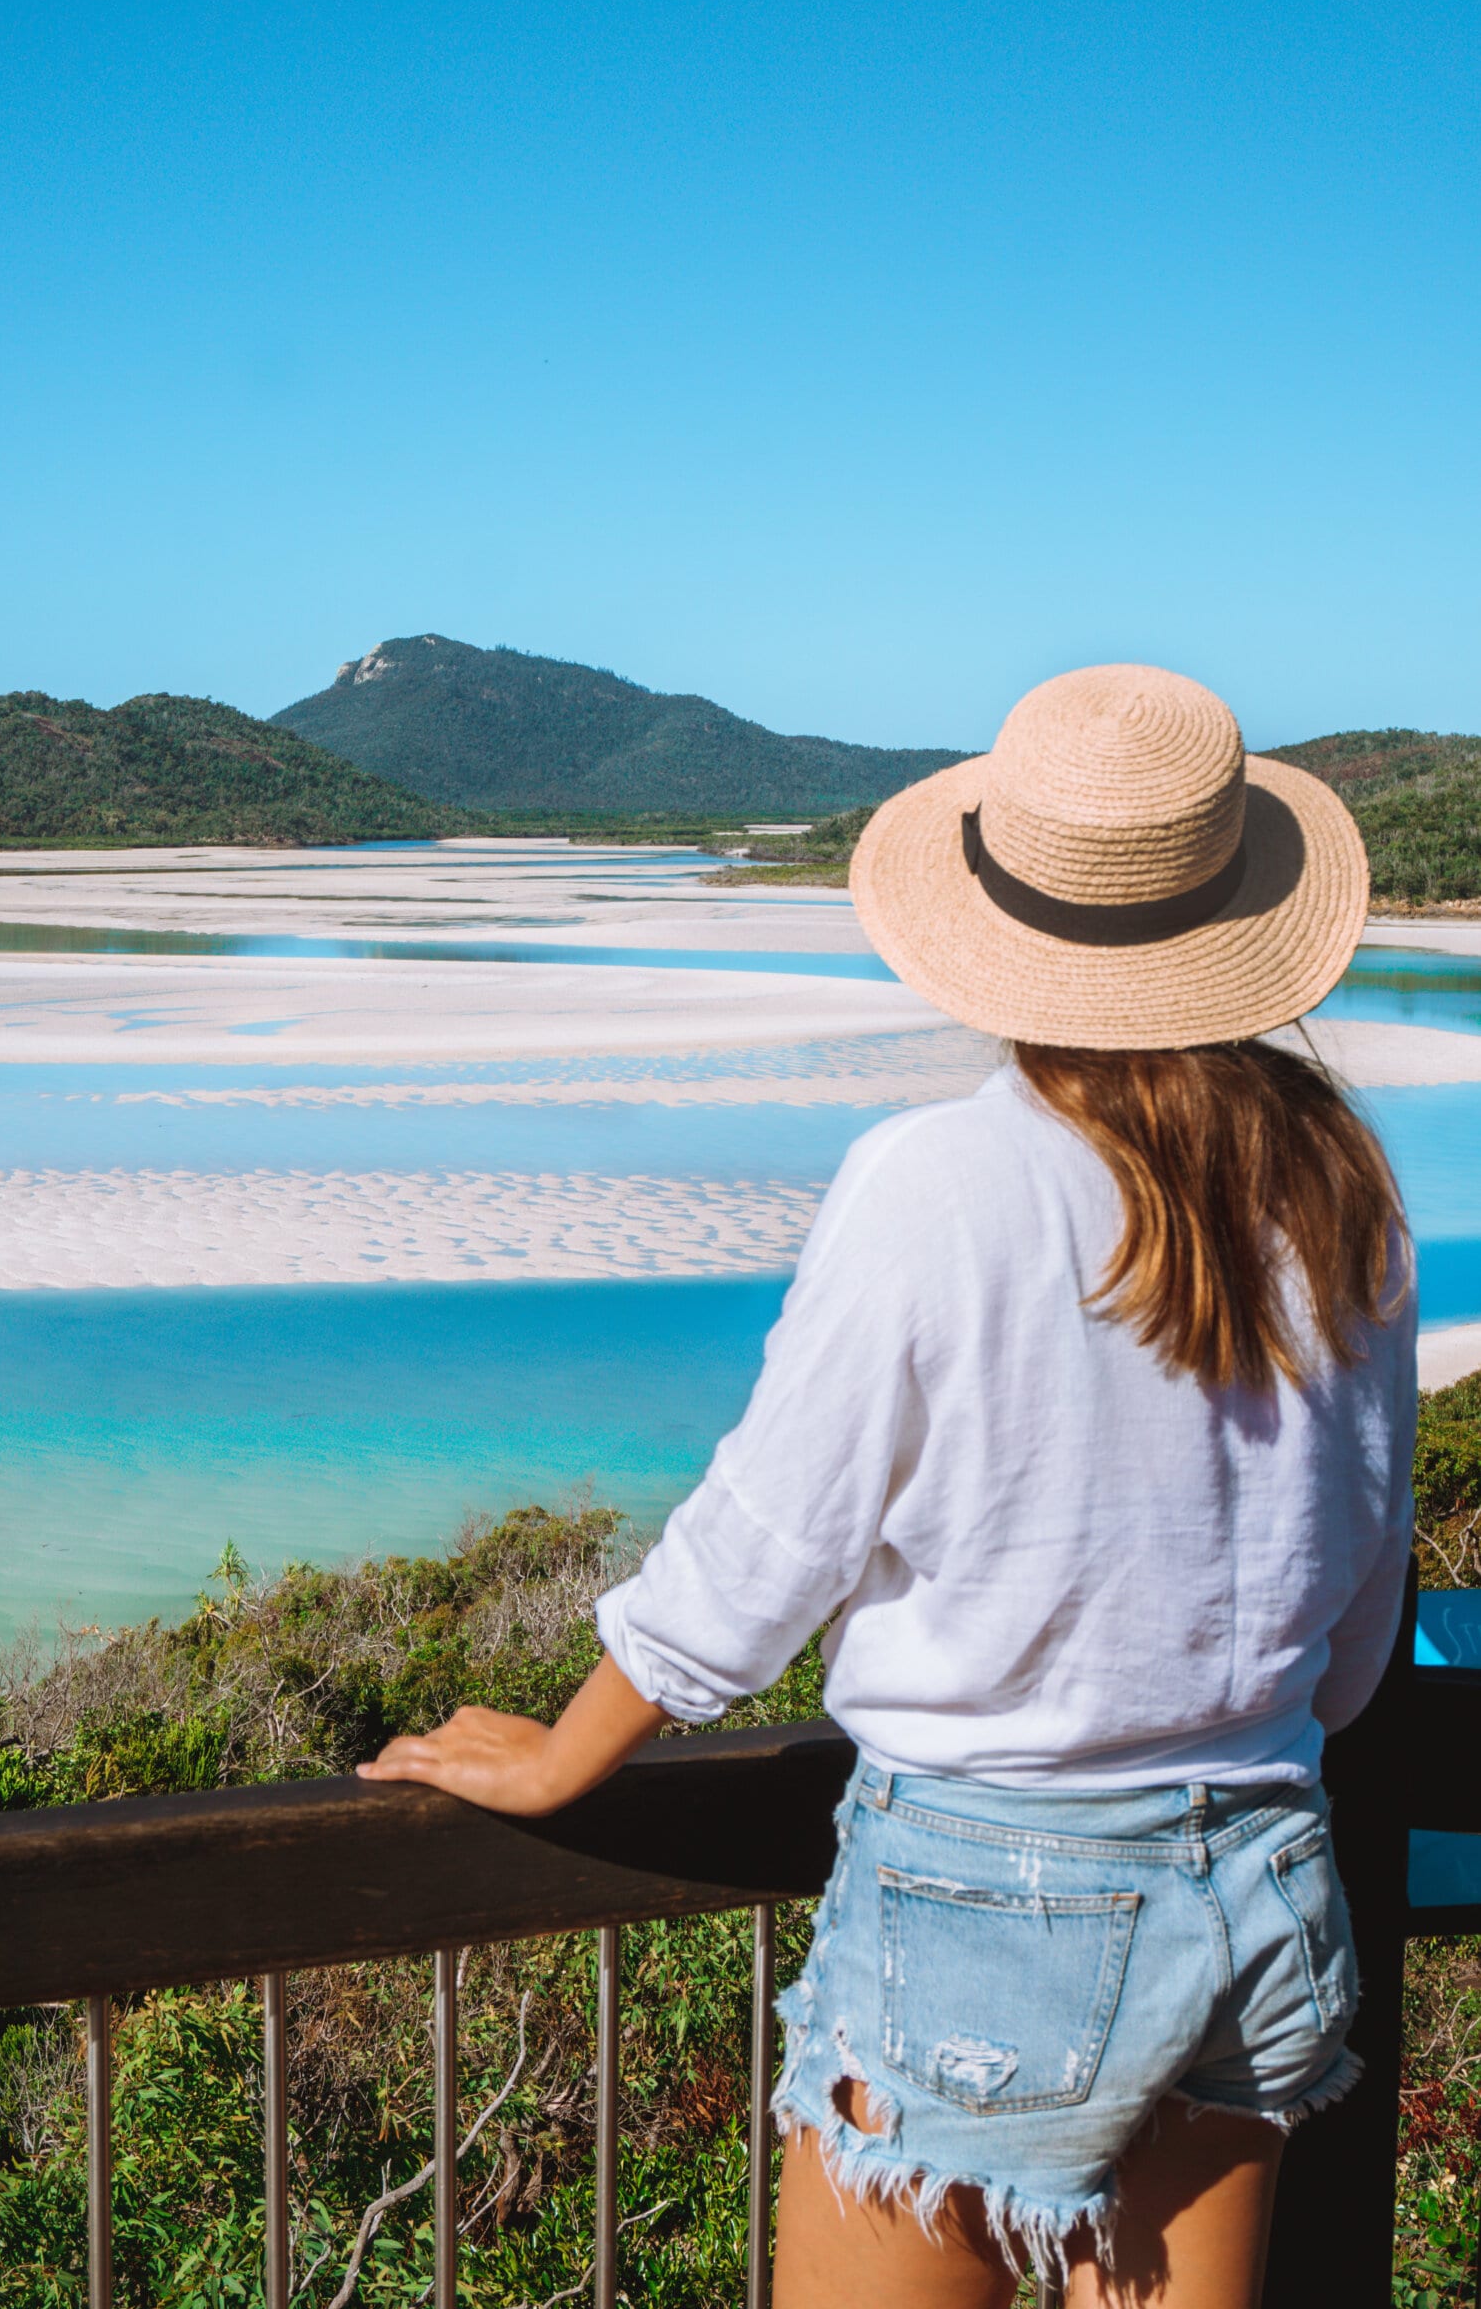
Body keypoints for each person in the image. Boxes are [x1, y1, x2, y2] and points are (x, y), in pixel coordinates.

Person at [360, 663, 1416, 2309]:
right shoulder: (1346, 1193)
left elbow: (770, 1538)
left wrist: (574, 1749)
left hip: (991, 1897)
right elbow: (1357, 1607)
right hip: (1264, 1876)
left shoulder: (938, 1183)